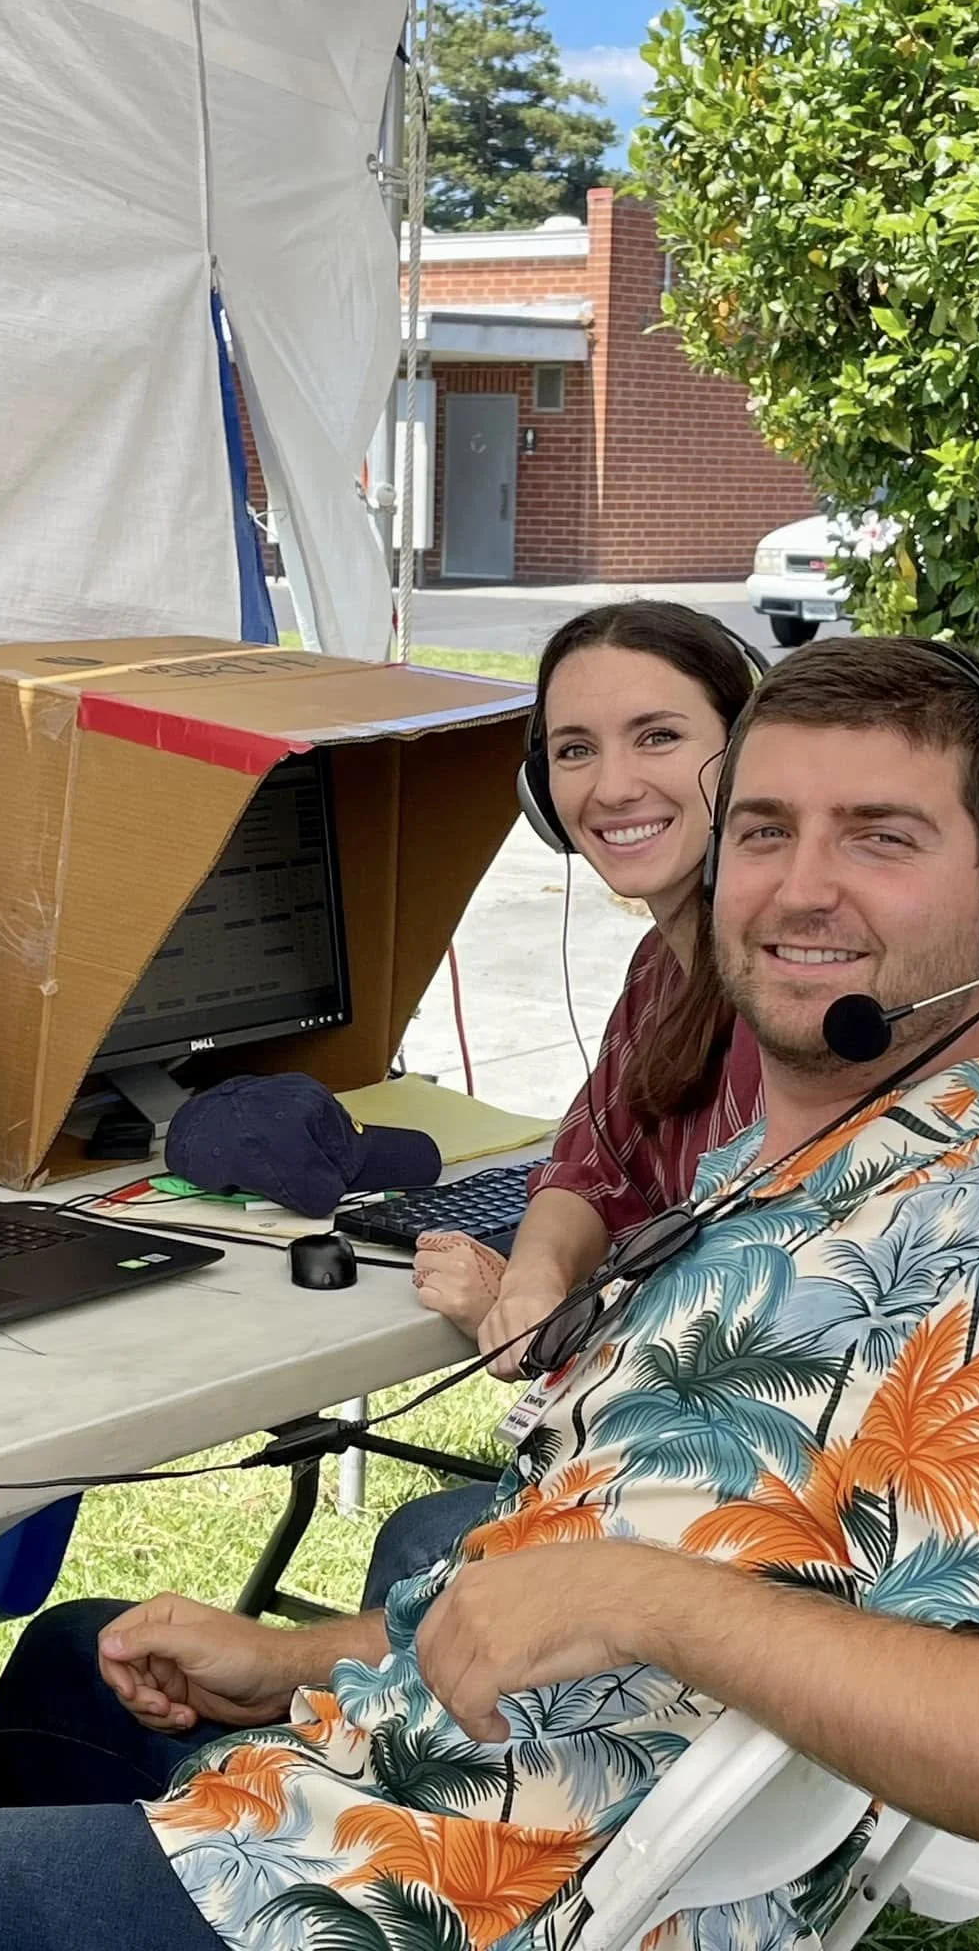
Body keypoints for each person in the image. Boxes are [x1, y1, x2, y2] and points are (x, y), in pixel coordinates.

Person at [0, 637, 979, 1951]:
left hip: (461, 1893)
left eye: (879, 837)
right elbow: (585, 1570)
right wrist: (301, 1658)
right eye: (763, 831)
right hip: (428, 1788)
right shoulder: (786, 1171)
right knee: (70, 1667)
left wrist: (648, 1600)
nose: (800, 888)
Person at [366, 601, 767, 1602]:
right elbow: (589, 1162)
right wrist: (536, 1276)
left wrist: (556, 1330)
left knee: (425, 1546)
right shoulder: (663, 965)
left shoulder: (784, 1005)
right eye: (574, 749)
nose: (612, 784)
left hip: (725, 1513)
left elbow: (748, 1342)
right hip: (671, 1468)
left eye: (659, 736)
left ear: (753, 754)